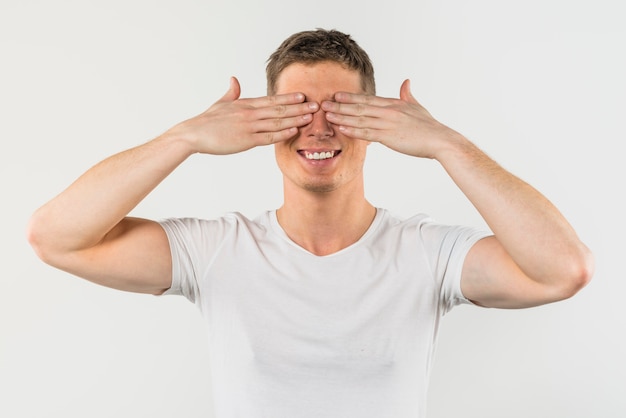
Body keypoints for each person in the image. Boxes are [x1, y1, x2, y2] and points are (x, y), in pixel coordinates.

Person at [27, 29, 593, 417]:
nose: (318, 129)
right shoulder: (217, 249)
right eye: (296, 109)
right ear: (265, 122)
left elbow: (562, 271)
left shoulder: (427, 254)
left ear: (376, 122)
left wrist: (449, 145)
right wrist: (185, 138)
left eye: (342, 109)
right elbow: (55, 238)